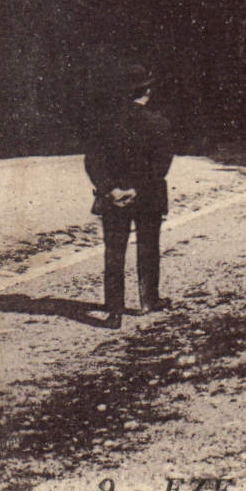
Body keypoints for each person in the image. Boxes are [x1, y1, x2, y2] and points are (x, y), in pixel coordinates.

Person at [84, 64, 174, 329]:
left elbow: (93, 161)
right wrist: (137, 189)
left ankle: (114, 311)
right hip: (147, 195)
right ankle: (148, 300)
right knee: (148, 246)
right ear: (147, 90)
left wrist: (110, 189)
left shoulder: (104, 123)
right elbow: (161, 165)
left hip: (113, 197)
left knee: (114, 252)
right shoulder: (159, 123)